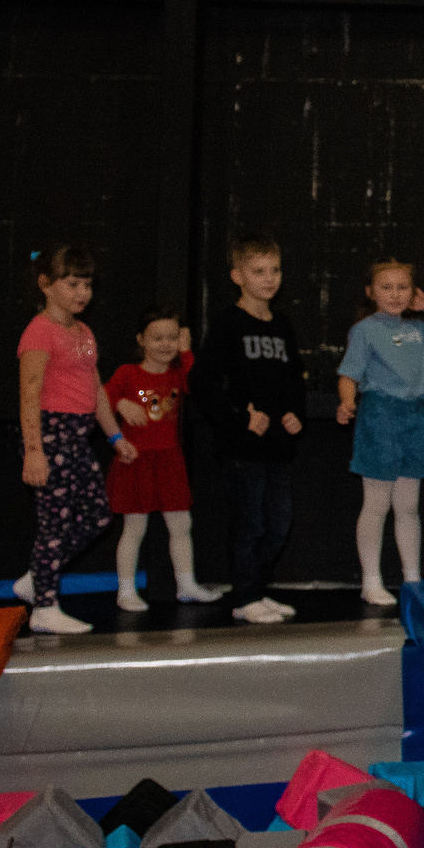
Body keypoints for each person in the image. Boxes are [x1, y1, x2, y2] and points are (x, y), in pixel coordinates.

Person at [14, 245, 137, 635]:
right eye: (72, 284)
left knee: (99, 515)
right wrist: (34, 451)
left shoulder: (83, 332)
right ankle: (44, 606)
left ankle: (36, 578)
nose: (82, 293)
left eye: (86, 284)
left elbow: (95, 387)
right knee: (56, 521)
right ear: (46, 285)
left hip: (78, 434)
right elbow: (29, 393)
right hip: (50, 432)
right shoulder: (39, 331)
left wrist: (114, 434)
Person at [194, 236, 306, 625]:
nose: (269, 279)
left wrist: (295, 414)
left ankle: (257, 589)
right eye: (259, 272)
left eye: (275, 270)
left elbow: (293, 381)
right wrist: (240, 417)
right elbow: (202, 382)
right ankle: (244, 596)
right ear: (237, 277)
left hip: (277, 447)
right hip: (241, 447)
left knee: (279, 523)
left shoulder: (283, 325)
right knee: (251, 523)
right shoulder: (228, 323)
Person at [337, 259, 424, 607]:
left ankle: (412, 579)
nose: (394, 294)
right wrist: (347, 402)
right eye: (386, 287)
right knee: (376, 503)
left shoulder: (422, 330)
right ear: (371, 292)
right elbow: (348, 373)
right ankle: (371, 580)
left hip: (413, 417)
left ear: (413, 292)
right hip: (379, 414)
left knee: (408, 505)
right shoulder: (364, 330)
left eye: (402, 287)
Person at [104, 311, 227, 617]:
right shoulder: (127, 373)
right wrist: (120, 404)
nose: (165, 344)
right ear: (141, 340)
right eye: (157, 338)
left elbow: (197, 384)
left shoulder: (177, 375)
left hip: (169, 459)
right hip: (135, 459)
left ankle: (186, 584)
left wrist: (186, 351)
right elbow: (100, 402)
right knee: (134, 528)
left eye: (172, 337)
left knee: (182, 525)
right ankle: (126, 590)